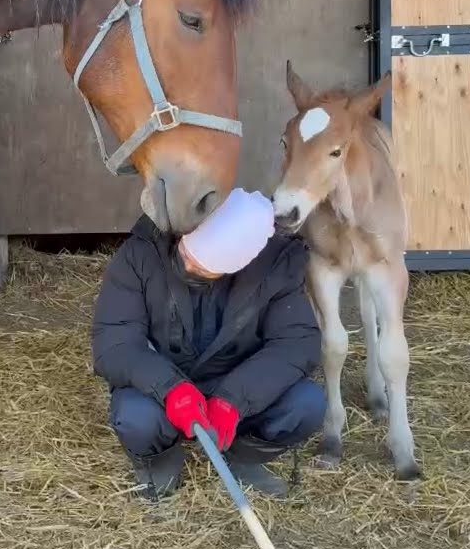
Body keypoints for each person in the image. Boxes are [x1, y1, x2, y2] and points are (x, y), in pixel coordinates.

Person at [90, 188, 325, 500]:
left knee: (307, 403)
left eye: (201, 267)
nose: (186, 266)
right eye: (186, 253)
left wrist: (235, 399)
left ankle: (243, 457)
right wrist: (170, 388)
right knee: (134, 416)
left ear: (236, 264)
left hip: (237, 387)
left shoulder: (274, 268)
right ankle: (160, 462)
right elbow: (114, 341)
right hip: (165, 387)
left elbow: (296, 343)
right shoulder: (142, 254)